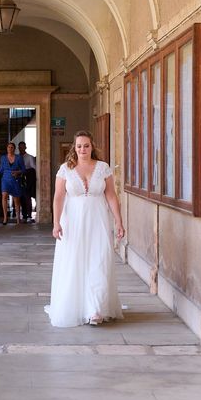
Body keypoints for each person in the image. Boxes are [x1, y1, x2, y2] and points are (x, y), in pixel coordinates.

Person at [45, 130, 125, 327]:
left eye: (86, 145)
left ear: (92, 147)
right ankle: (77, 304)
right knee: (75, 261)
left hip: (98, 220)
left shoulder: (103, 168)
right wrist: (56, 223)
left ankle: (95, 308)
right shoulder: (65, 169)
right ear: (74, 147)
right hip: (73, 222)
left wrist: (119, 221)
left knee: (99, 260)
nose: (82, 149)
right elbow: (58, 197)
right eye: (79, 146)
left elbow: (111, 196)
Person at [0, 142, 26, 224]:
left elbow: (23, 169)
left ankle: (18, 218)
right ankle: (5, 218)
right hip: (5, 179)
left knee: (16, 200)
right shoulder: (3, 158)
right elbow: (1, 168)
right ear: (7, 148)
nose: (10, 149)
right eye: (8, 147)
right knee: (4, 196)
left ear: (14, 149)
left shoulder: (19, 158)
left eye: (11, 147)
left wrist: (18, 172)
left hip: (15, 180)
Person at [18, 141, 37, 223]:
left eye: (23, 147)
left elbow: (34, 168)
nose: (21, 148)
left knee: (27, 197)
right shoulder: (17, 157)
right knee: (20, 197)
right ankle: (24, 215)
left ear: (25, 147)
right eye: (20, 147)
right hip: (18, 179)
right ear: (18, 148)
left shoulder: (30, 157)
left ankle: (29, 215)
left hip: (27, 179)